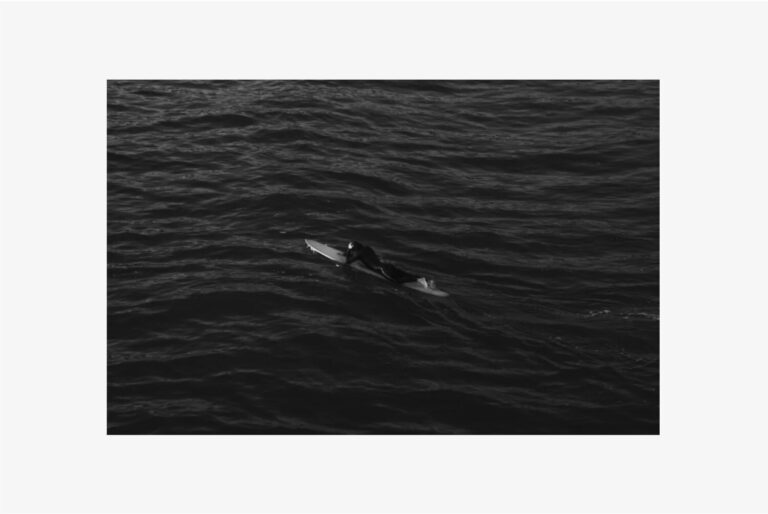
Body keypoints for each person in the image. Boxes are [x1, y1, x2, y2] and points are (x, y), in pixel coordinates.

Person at [344, 241, 432, 288]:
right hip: (386, 265)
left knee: (396, 281)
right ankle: (423, 279)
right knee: (402, 273)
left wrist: (348, 253)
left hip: (383, 270)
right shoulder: (367, 248)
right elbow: (368, 256)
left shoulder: (358, 254)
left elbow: (348, 262)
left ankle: (417, 280)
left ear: (354, 249)